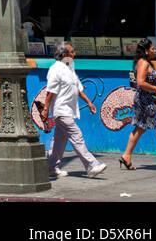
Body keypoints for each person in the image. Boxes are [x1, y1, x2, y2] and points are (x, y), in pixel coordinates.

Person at [40, 41, 107, 179]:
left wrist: (89, 102)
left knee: (59, 140)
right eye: (72, 52)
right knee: (77, 136)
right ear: (64, 54)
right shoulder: (56, 69)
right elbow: (50, 91)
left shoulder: (69, 68)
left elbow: (78, 87)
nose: (74, 54)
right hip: (61, 110)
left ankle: (51, 167)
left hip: (68, 110)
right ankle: (91, 165)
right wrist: (46, 109)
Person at [120, 38, 156, 172]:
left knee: (140, 128)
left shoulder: (148, 63)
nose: (155, 50)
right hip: (145, 100)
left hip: (149, 99)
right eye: (152, 48)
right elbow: (141, 83)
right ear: (146, 51)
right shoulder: (143, 63)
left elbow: (153, 81)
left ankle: (126, 156)